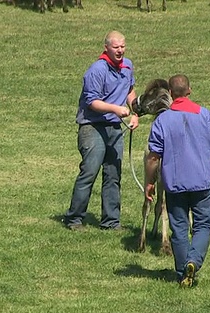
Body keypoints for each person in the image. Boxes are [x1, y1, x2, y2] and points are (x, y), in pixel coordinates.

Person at [144, 74, 210, 287]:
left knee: (179, 228)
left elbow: (154, 157)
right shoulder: (205, 115)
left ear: (170, 93)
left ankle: (182, 274)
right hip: (202, 181)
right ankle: (193, 261)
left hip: (175, 184)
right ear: (189, 90)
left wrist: (150, 182)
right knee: (202, 225)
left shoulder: (162, 120)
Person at [63, 31, 140, 231]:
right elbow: (92, 102)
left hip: (115, 127)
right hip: (93, 126)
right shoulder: (96, 70)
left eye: (123, 46)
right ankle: (74, 219)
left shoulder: (127, 66)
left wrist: (135, 112)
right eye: (116, 47)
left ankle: (111, 222)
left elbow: (130, 90)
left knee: (113, 174)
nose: (120, 50)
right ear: (106, 48)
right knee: (89, 171)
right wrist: (116, 109)